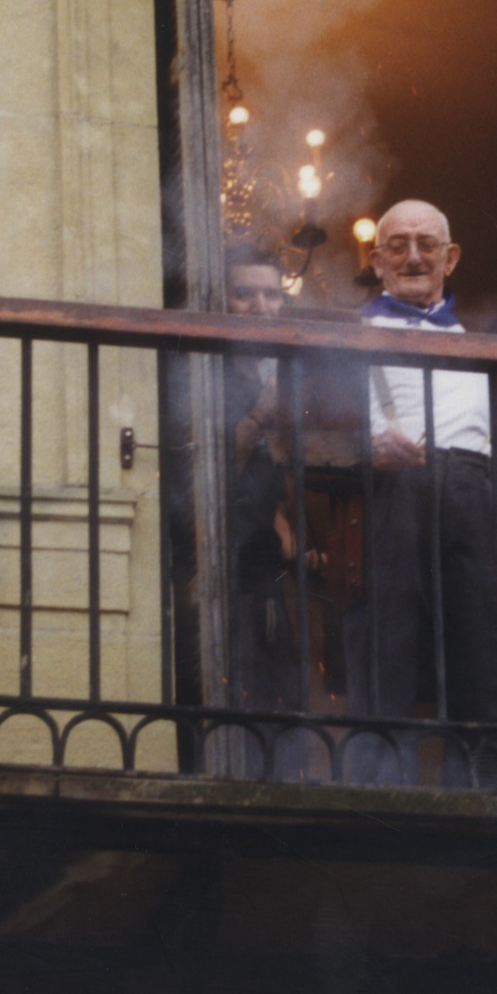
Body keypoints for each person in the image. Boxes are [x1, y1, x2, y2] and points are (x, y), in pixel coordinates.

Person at [342, 199, 497, 788]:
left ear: (450, 258)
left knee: (481, 657)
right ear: (376, 261)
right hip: (392, 493)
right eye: (398, 245)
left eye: (427, 244)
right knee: (388, 654)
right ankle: (384, 803)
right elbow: (310, 428)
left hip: (476, 496)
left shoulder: (484, 350)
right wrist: (368, 447)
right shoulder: (346, 339)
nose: (413, 257)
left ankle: (483, 803)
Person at [224, 244, 311, 781]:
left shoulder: (270, 369)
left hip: (263, 560)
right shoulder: (208, 368)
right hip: (221, 560)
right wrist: (262, 412)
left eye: (272, 295)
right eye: (245, 294)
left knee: (283, 691)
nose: (261, 306)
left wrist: (281, 521)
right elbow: (214, 467)